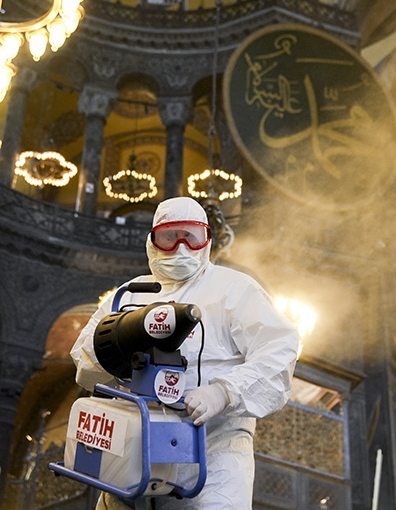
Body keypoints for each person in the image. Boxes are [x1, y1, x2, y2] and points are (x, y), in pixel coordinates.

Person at [70, 196, 301, 510]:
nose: (180, 248)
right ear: (153, 242)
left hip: (214, 451)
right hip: (131, 453)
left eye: (191, 237)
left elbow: (280, 348)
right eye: (169, 237)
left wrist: (224, 392)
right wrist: (125, 341)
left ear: (206, 241)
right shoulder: (130, 295)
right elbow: (85, 361)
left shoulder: (233, 289)